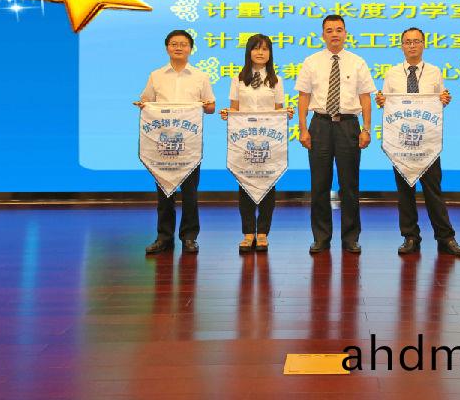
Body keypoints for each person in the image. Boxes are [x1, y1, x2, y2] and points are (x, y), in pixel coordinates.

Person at [375, 27, 460, 257]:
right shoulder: (392, 74)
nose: (412, 45)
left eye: (416, 41)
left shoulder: (434, 72)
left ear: (423, 44)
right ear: (402, 46)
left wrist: (444, 99)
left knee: (433, 191)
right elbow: (386, 103)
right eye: (408, 42)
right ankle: (410, 237)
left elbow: (439, 102)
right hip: (401, 143)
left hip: (428, 143)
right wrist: (381, 100)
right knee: (405, 191)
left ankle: (446, 238)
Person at [296, 15, 377, 254]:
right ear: (323, 34)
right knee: (319, 184)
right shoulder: (311, 62)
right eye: (329, 30)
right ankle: (321, 237)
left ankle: (350, 238)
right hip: (319, 125)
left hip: (348, 125)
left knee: (349, 184)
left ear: (345, 33)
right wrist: (303, 129)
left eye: (339, 30)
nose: (334, 34)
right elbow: (303, 97)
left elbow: (365, 98)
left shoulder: (357, 62)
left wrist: (366, 129)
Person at [136, 30, 216, 255]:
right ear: (167, 48)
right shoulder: (156, 75)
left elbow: (211, 107)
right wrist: (144, 106)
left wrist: (204, 106)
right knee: (164, 194)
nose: (178, 47)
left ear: (190, 48)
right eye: (174, 44)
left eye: (183, 44)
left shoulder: (200, 76)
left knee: (190, 194)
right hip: (162, 146)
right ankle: (164, 237)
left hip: (189, 146)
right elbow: (146, 100)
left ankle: (189, 237)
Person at [220, 34, 294, 253]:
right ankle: (247, 233)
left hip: (268, 141)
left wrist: (286, 113)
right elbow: (235, 108)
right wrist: (228, 113)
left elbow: (278, 109)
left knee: (268, 184)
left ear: (270, 53)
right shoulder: (238, 79)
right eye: (256, 48)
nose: (260, 53)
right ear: (249, 52)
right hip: (244, 140)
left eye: (265, 49)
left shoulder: (276, 80)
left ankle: (262, 233)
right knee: (244, 185)